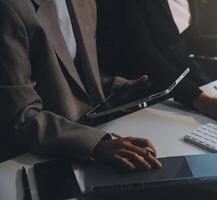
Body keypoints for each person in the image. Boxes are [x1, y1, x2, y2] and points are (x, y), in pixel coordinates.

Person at [0, 0, 162, 170]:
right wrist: (96, 144)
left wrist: (115, 86)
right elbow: (19, 118)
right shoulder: (10, 8)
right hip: (42, 159)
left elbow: (73, 72)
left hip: (96, 135)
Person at [103, 0, 217, 124]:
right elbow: (143, 55)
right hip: (148, 90)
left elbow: (180, 41)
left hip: (187, 81)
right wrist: (202, 101)